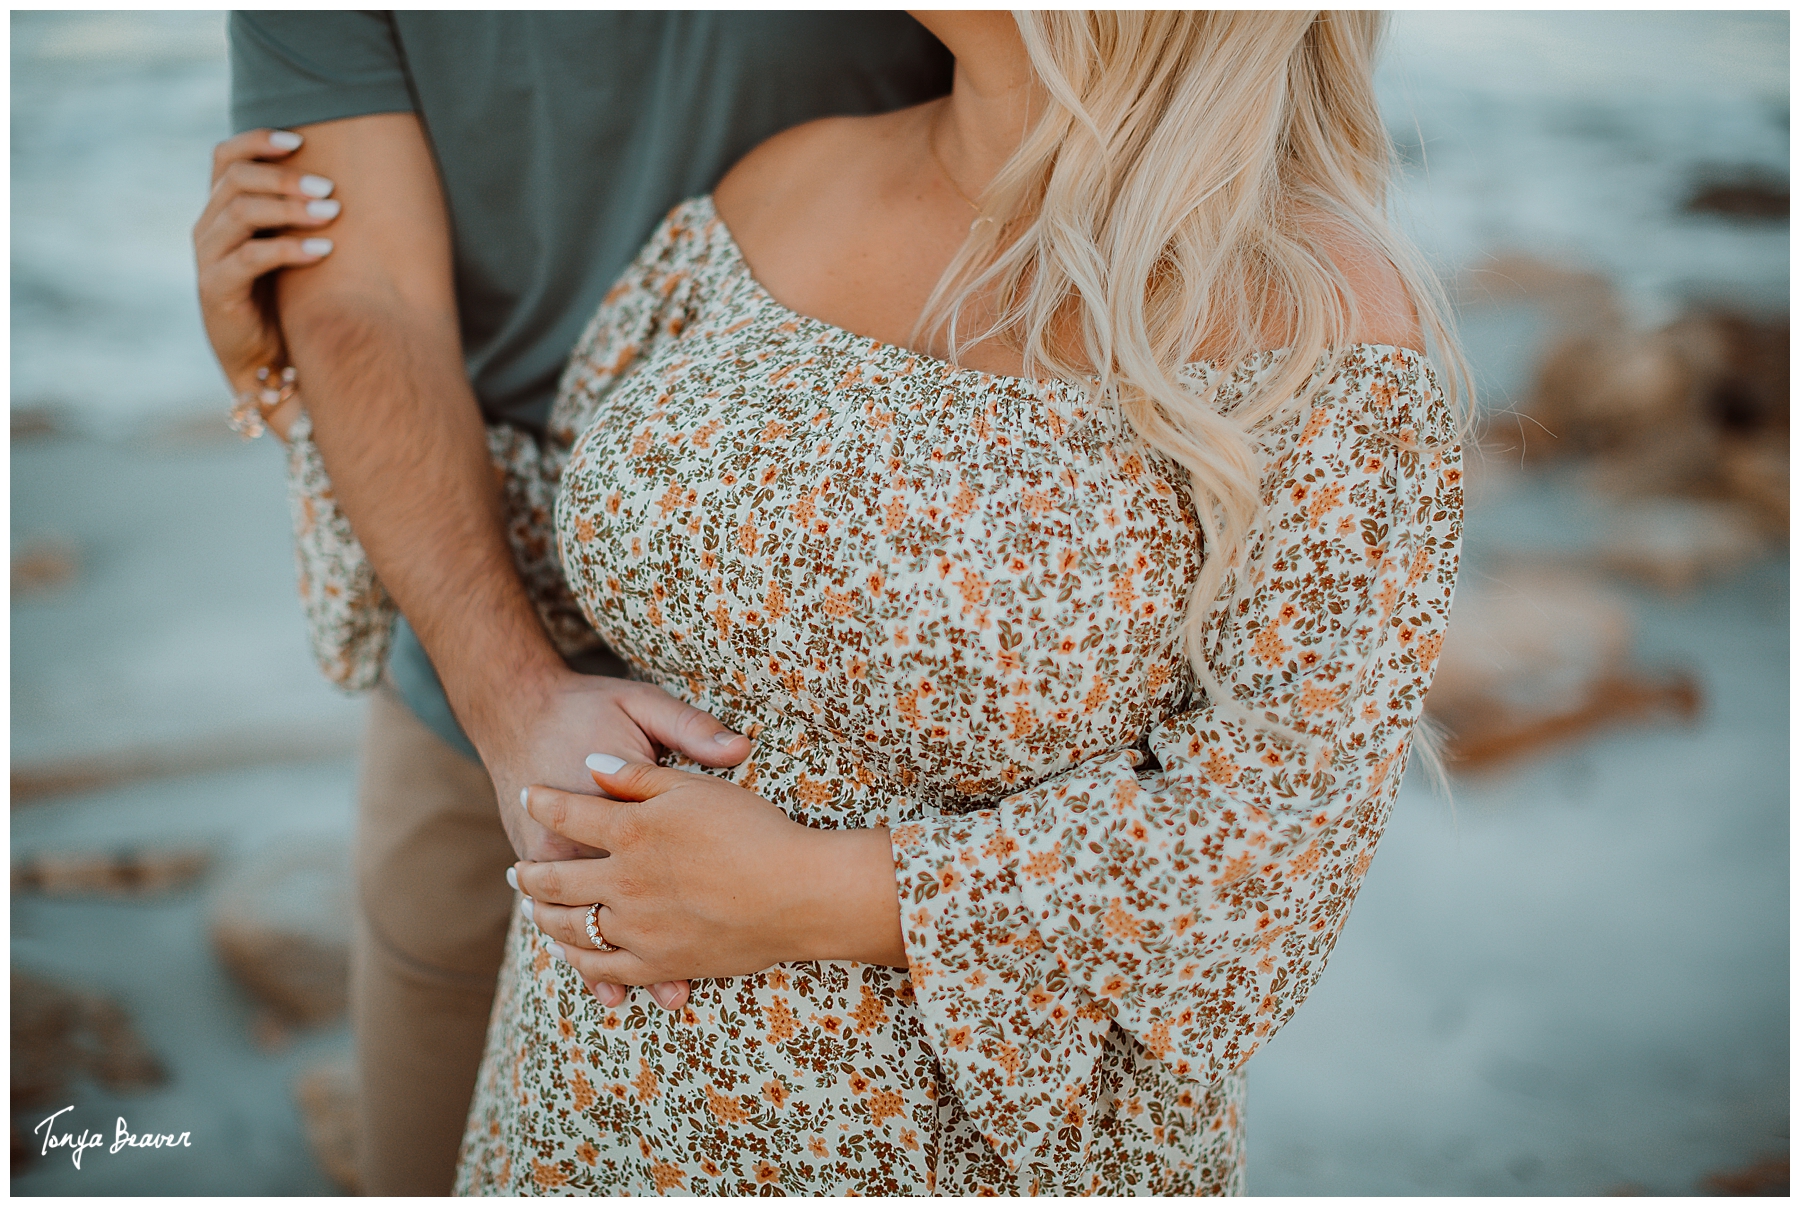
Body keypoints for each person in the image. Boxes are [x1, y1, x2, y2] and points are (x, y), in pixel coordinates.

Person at [199, 10, 1466, 1195]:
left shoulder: (1322, 323)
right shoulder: (777, 188)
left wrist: (806, 892)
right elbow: (566, 526)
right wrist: (290, 362)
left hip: (949, 1147)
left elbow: (1264, 858)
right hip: (584, 1111)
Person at [193, 13, 952, 1194]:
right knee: (431, 1167)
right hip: (474, 684)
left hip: (861, 734)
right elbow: (362, 294)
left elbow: (1081, 147)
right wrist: (513, 705)